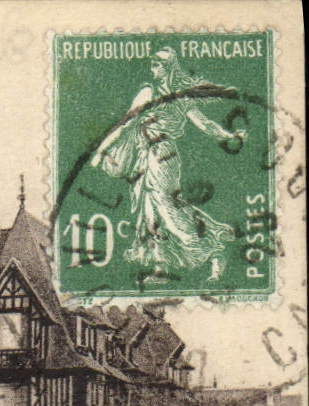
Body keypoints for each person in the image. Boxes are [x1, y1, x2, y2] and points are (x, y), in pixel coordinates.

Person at [91, 47, 242, 276]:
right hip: (146, 157)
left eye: (158, 65)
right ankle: (160, 266)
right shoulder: (147, 92)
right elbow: (126, 124)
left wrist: (230, 136)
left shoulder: (180, 98)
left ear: (169, 67)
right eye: (152, 65)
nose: (154, 69)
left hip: (164, 157)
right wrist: (102, 150)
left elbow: (205, 124)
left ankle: (211, 249)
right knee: (150, 211)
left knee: (167, 209)